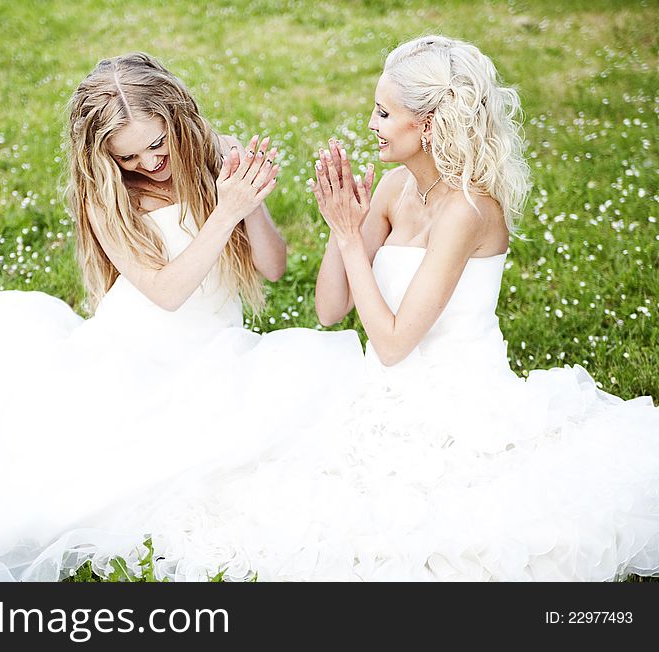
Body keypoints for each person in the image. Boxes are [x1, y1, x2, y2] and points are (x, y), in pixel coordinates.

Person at [0, 53, 365, 581]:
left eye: (158, 145)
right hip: (134, 356)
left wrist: (249, 202)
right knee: (53, 480)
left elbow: (272, 267)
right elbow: (165, 292)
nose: (149, 163)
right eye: (129, 155)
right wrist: (223, 213)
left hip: (216, 349)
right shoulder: (107, 196)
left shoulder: (215, 153)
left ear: (180, 121)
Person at [96, 36, 659, 582]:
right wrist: (340, 224)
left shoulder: (467, 211)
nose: (372, 123)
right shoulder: (394, 189)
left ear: (430, 124)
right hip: (383, 389)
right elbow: (329, 308)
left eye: (384, 113)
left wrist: (348, 238)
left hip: (456, 399)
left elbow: (391, 344)